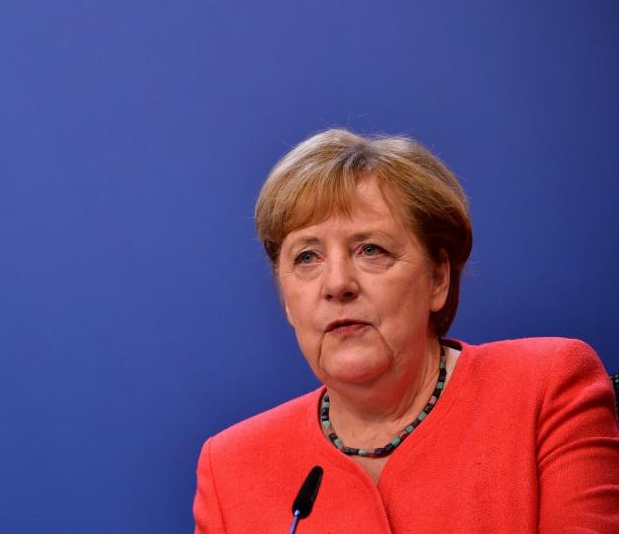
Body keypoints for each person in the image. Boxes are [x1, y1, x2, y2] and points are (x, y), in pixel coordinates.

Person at [192, 129, 619, 533]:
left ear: (438, 279)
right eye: (307, 258)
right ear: (286, 299)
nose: (337, 283)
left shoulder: (545, 390)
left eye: (371, 250)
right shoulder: (230, 468)